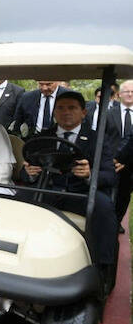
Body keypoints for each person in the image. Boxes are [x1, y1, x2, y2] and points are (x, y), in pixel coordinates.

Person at [20, 91, 118, 277]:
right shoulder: (43, 137)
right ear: (54, 112)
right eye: (61, 108)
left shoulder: (97, 139)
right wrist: (29, 173)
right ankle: (15, 253)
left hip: (81, 193)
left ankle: (101, 267)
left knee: (104, 207)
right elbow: (25, 171)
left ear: (83, 112)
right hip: (48, 190)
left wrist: (90, 174)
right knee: (18, 199)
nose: (66, 112)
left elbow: (110, 176)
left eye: (72, 108)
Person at [106, 80, 133, 233]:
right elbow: (103, 137)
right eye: (126, 91)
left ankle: (117, 221)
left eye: (132, 92)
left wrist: (126, 160)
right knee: (108, 194)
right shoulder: (108, 113)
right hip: (111, 162)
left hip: (130, 165)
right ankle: (109, 222)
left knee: (124, 195)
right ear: (119, 94)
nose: (129, 94)